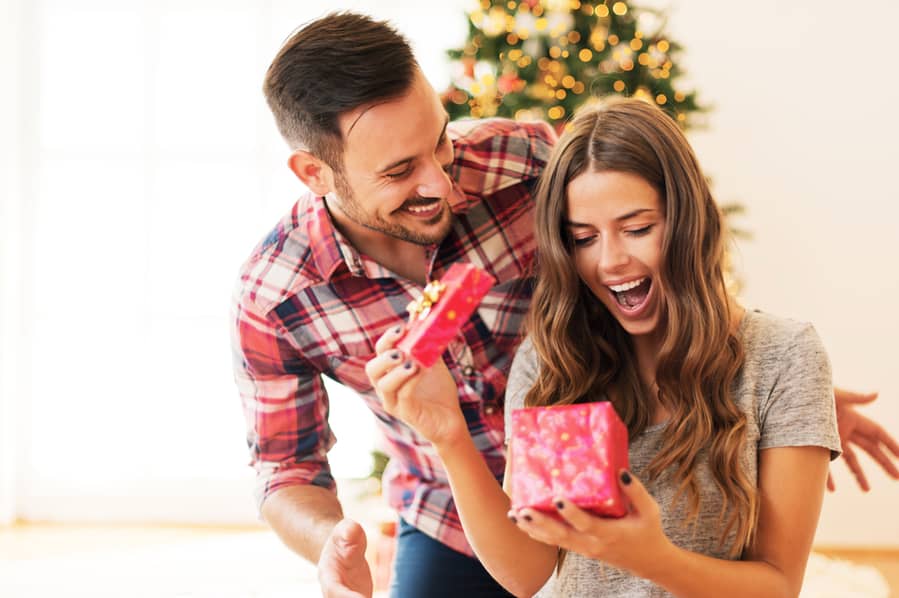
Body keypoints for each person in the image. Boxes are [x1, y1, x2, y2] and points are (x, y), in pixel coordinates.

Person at [231, 11, 899, 597]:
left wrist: (768, 384)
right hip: (454, 508)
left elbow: (652, 236)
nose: (442, 181)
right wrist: (333, 541)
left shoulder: (524, 159)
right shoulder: (276, 295)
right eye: (401, 171)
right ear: (314, 173)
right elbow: (285, 467)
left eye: (439, 141)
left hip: (623, 454)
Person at [366, 98, 840, 596]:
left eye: (637, 229)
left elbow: (779, 584)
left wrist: (651, 558)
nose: (610, 261)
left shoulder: (785, 355)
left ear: (688, 221)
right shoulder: (551, 362)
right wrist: (449, 436)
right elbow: (526, 573)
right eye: (584, 238)